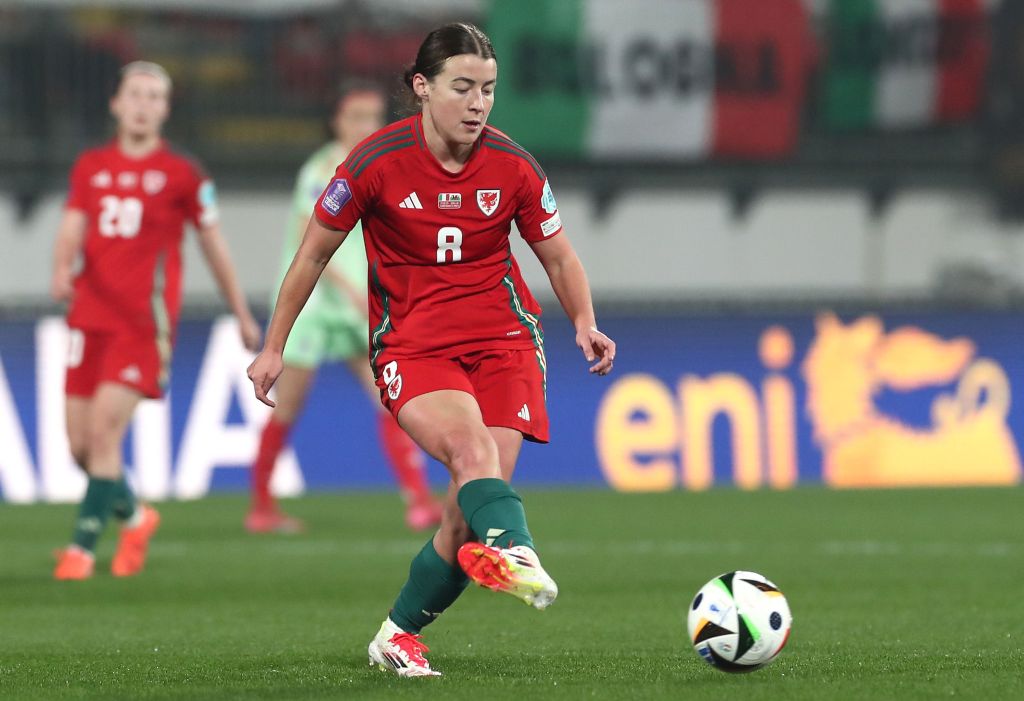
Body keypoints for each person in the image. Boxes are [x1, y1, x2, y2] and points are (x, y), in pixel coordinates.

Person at [246, 23, 615, 677]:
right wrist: (275, 345)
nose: (478, 103)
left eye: (489, 90)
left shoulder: (514, 165)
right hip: (414, 346)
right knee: (473, 458)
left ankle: (397, 634)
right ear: (422, 87)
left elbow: (557, 254)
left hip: (505, 342)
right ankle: (517, 549)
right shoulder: (372, 163)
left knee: (465, 510)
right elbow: (312, 256)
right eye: (463, 87)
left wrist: (584, 319)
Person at [51, 61, 261, 580]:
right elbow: (72, 225)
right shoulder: (91, 166)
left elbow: (213, 245)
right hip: (87, 320)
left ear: (165, 109)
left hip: (142, 327)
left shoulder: (183, 174)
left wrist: (239, 311)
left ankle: (80, 550)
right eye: (135, 95)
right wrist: (61, 269)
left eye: (154, 97)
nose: (143, 105)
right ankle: (138, 517)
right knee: (80, 447)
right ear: (116, 104)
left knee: (103, 435)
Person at [246, 82, 443, 533]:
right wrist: (351, 286)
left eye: (372, 117)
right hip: (313, 305)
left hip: (359, 304)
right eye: (356, 117)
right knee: (287, 406)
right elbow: (307, 238)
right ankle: (260, 506)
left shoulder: (377, 167)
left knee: (391, 400)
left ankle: (417, 499)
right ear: (338, 121)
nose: (365, 126)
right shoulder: (322, 170)